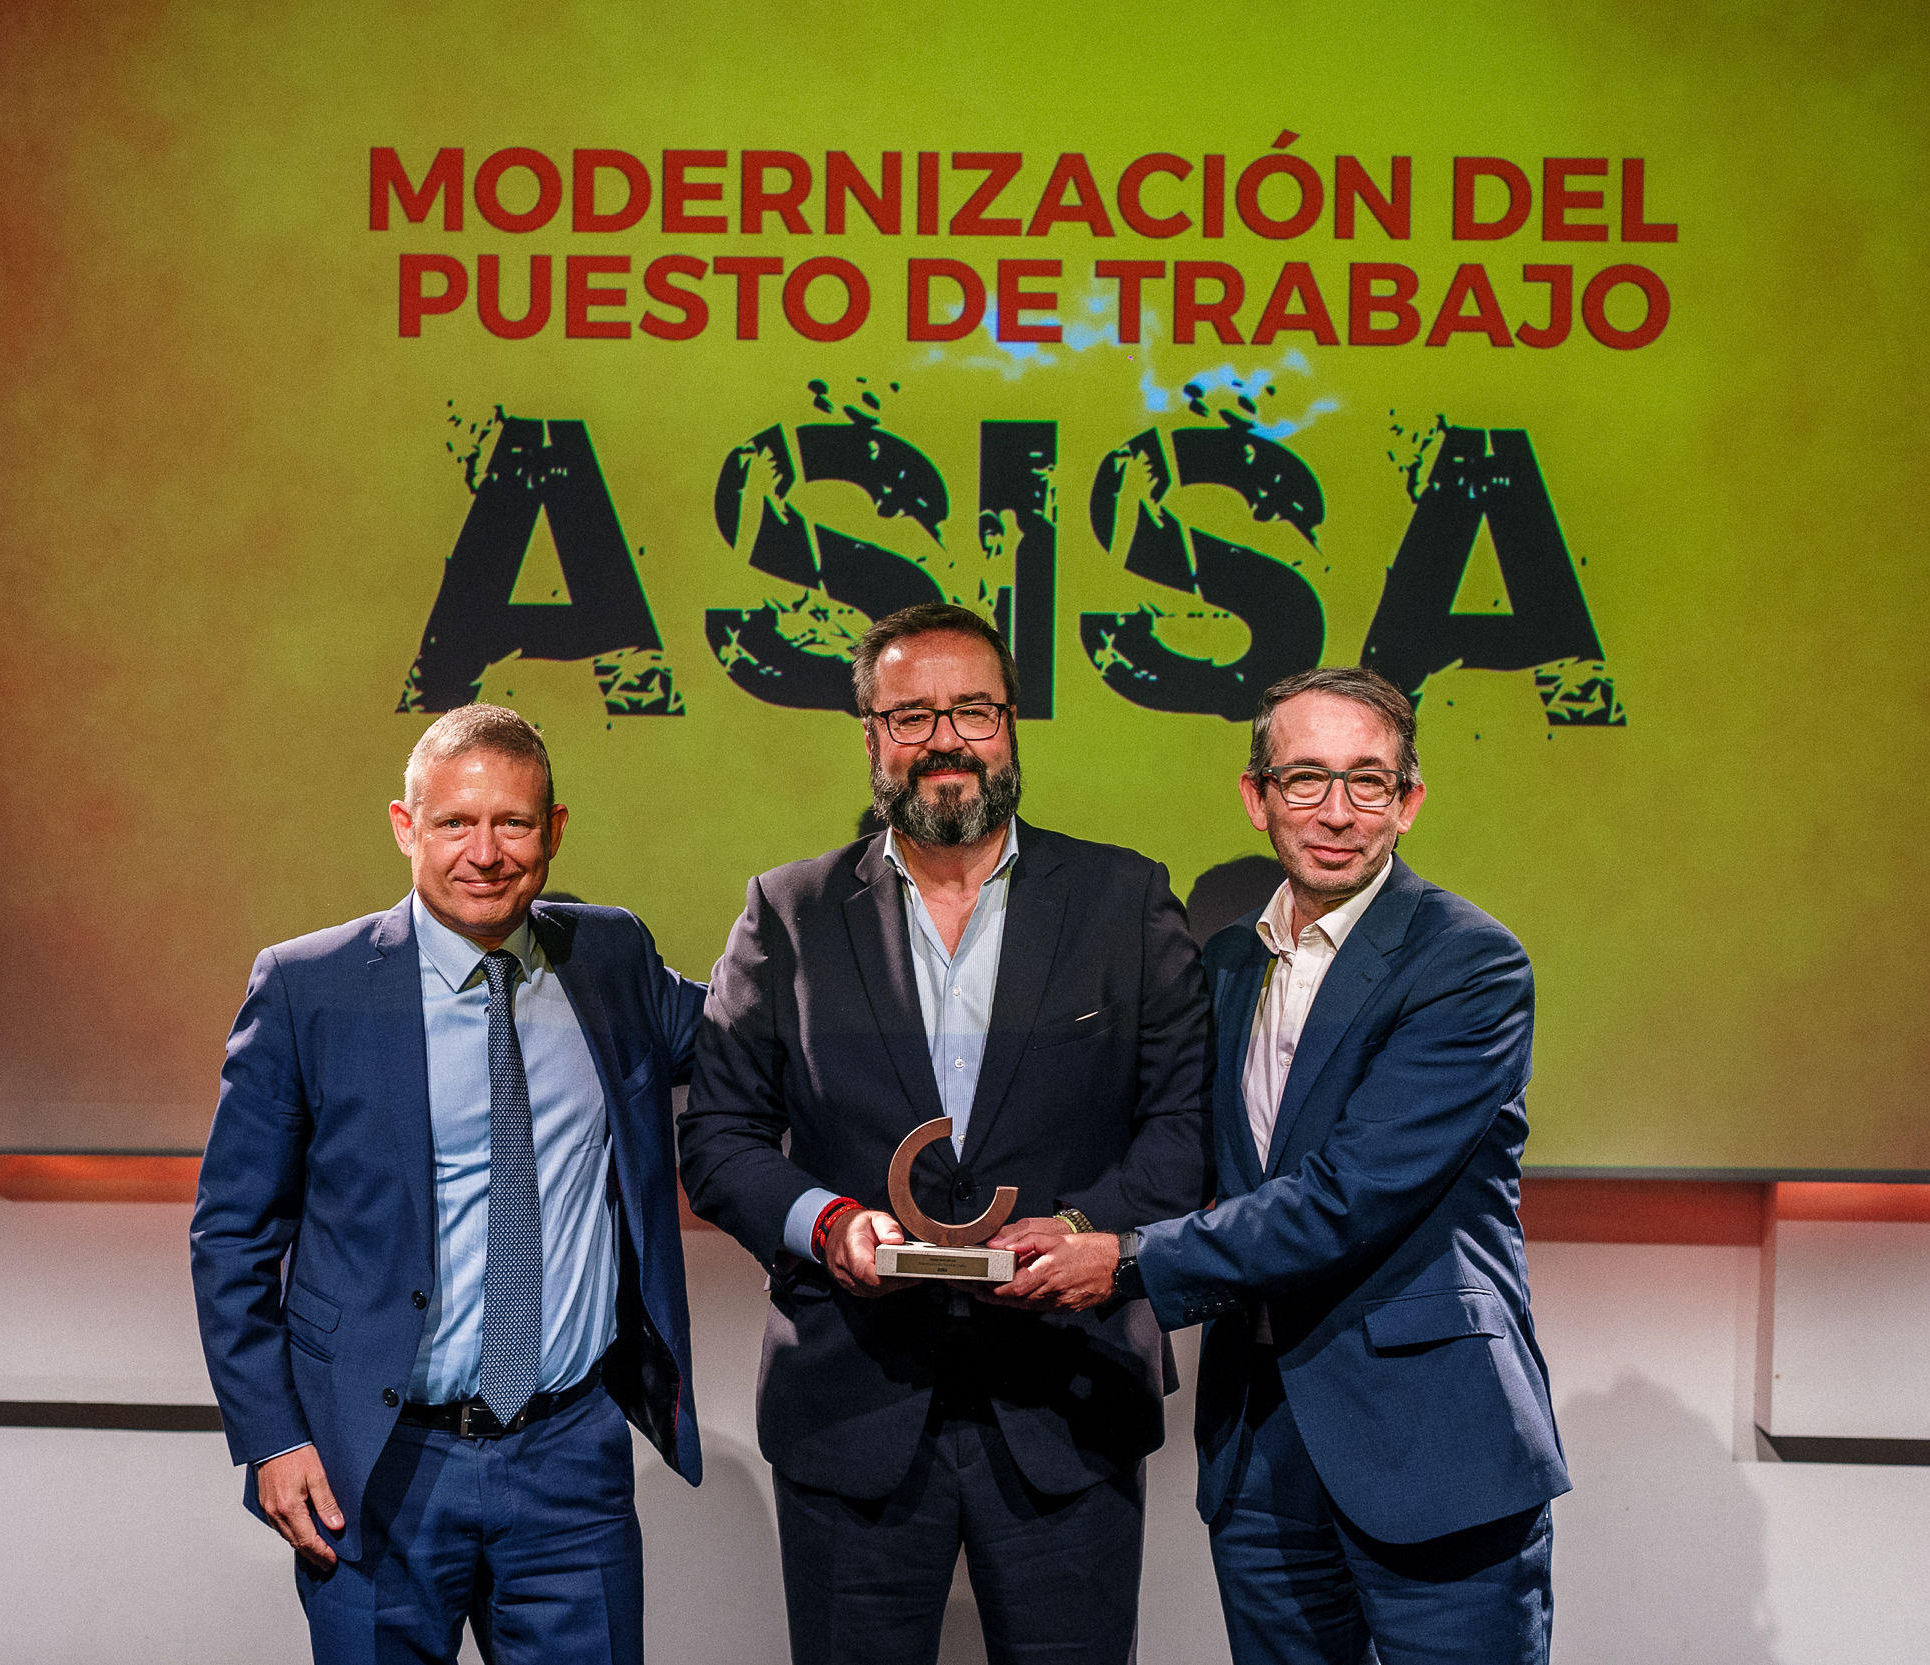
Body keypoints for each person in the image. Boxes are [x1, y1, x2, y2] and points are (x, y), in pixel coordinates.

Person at [993, 665, 1569, 1664]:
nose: (1337, 812)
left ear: (1408, 801)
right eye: (1306, 778)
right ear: (1256, 796)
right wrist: (1079, 1224)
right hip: (1259, 1446)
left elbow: (1349, 1196)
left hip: (1431, 1442)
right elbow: (1182, 1152)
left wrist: (1125, 1260)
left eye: (1368, 781)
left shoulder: (1469, 964)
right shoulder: (1223, 964)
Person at [677, 602, 1211, 1665]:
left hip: (1069, 1398)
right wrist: (825, 1222)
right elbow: (720, 1135)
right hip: (851, 1400)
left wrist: (1086, 1233)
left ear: (1011, 725)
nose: (945, 741)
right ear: (870, 736)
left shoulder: (1126, 899)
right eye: (911, 716)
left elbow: (1184, 1128)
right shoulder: (787, 912)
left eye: (973, 711)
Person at [191, 704, 704, 1664]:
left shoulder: (612, 959)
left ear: (554, 830)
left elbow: (754, 1034)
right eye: (455, 822)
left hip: (569, 1462)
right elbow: (231, 1237)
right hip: (377, 1462)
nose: (486, 853)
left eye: (513, 823)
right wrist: (272, 1437)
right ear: (405, 826)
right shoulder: (307, 987)